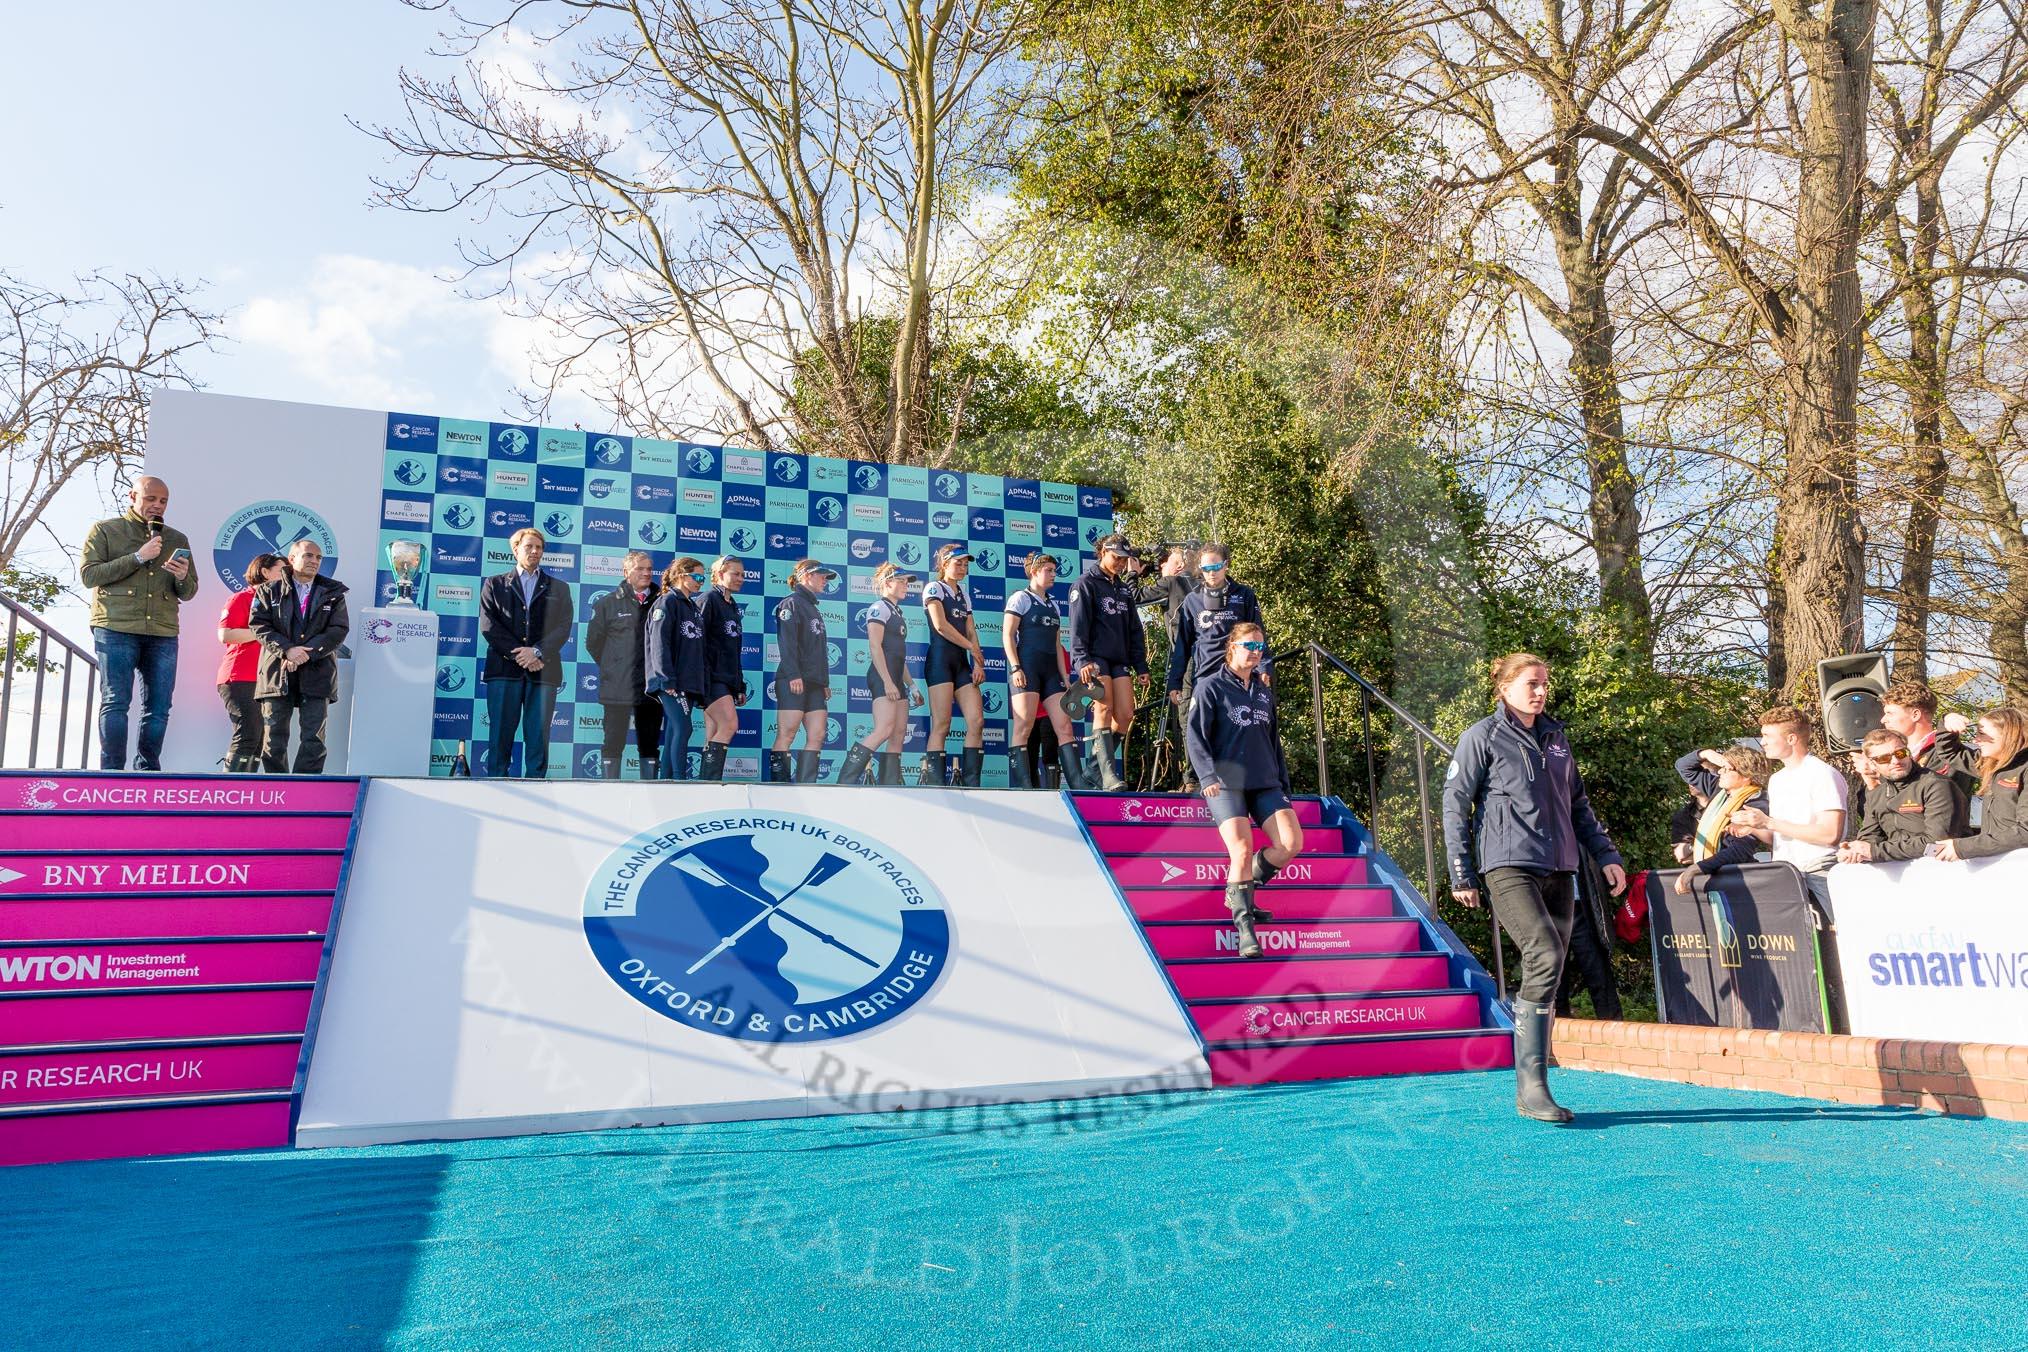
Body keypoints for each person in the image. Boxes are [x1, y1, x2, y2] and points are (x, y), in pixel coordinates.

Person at [1442, 652, 1626, 1124]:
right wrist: (1461, 870)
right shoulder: (1481, 736)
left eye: (1545, 683)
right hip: (1507, 864)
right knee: (1544, 953)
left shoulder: (1557, 738)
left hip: (1559, 867)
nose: (1541, 691)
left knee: (1552, 964)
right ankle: (1532, 1085)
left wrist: (1605, 854)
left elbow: (1579, 805)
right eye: (1531, 683)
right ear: (1504, 688)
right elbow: (1455, 803)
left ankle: (1535, 1080)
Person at [1727, 705, 1849, 1030]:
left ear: (1792, 738)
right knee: (1802, 960)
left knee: (1835, 960)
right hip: (1788, 876)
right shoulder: (1778, 780)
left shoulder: (1822, 775)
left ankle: (1848, 1029)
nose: (1762, 742)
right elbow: (1777, 835)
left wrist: (1769, 821)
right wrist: (1752, 827)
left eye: (1768, 736)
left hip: (1821, 874)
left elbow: (1829, 834)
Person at [1186, 624, 1303, 959]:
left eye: (1261, 647)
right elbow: (1195, 736)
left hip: (1265, 781)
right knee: (1241, 848)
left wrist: (1284, 783)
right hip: (1225, 783)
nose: (1256, 651)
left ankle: (1241, 888)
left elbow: (1273, 741)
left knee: (1291, 843)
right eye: (1249, 645)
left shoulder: (1264, 692)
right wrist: (1206, 775)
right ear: (1232, 647)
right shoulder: (1210, 686)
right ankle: (1244, 925)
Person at [78, 476, 201, 770]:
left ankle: (147, 769)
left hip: (162, 631)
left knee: (159, 708)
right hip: (116, 626)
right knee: (116, 701)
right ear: (132, 496)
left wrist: (183, 577)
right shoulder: (106, 530)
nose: (157, 506)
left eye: (163, 501)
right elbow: (89, 576)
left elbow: (190, 591)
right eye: (150, 499)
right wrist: (137, 557)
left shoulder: (177, 538)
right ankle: (112, 772)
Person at [478, 527, 574, 778]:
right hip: (503, 671)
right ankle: (497, 788)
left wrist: (538, 652)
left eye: (539, 547)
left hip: (544, 672)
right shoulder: (494, 584)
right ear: (515, 549)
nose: (534, 551)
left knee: (538, 738)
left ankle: (536, 790)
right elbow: (489, 626)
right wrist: (521, 655)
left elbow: (563, 628)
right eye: (529, 546)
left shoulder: (559, 588)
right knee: (500, 735)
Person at [248, 539, 350, 774]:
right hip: (276, 671)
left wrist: (306, 654)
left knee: (314, 738)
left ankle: (306, 790)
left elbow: (338, 630)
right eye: (308, 556)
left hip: (318, 672)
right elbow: (259, 625)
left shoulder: (334, 593)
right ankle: (276, 791)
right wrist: (287, 650)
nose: (314, 561)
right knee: (274, 738)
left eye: (318, 557)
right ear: (292, 559)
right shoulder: (268, 590)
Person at [1066, 533, 1149, 790]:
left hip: (1120, 659)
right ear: (1103, 552)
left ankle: (1093, 770)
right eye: (1116, 558)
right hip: (1095, 658)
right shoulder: (1085, 584)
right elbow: (1077, 627)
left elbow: (1135, 630)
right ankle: (1107, 773)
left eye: (1124, 560)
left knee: (1124, 714)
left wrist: (1141, 665)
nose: (1121, 564)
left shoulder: (1124, 589)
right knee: (1103, 709)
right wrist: (1082, 660)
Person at [1003, 553, 1087, 790]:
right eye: (1048, 570)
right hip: (1027, 669)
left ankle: (1078, 785)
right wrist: (1015, 667)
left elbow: (1057, 646)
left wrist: (1065, 677)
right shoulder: (1021, 598)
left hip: (1051, 673)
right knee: (1023, 727)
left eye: (1054, 570)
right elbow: (1008, 635)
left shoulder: (1053, 604)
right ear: (1034, 571)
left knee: (1065, 727)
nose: (1053, 574)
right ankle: (1025, 786)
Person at [585, 551, 663, 779]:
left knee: (649, 744)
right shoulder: (607, 603)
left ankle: (651, 793)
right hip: (617, 686)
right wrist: (614, 665)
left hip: (651, 687)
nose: (647, 573)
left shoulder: (663, 602)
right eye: (641, 568)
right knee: (612, 742)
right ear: (626, 572)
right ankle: (610, 793)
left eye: (649, 568)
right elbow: (593, 644)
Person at [838, 562, 919, 785]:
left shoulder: (896, 611)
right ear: (887, 582)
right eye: (901, 581)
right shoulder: (879, 607)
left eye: (907, 582)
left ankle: (890, 783)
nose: (906, 585)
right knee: (884, 729)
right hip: (882, 677)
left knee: (899, 733)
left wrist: (911, 685)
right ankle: (845, 781)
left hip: (895, 678)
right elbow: (875, 647)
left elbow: (898, 656)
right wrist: (887, 682)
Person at [1838, 728, 1968, 863]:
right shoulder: (1877, 793)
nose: (1895, 761)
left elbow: (1937, 844)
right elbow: (1869, 837)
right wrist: (1853, 850)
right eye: (1884, 758)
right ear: (1872, 764)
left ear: (1909, 752)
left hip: (1942, 867)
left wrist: (1876, 851)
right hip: (1898, 867)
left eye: (1901, 753)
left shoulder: (1936, 785)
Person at [920, 543, 986, 787]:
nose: (963, 568)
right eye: (958, 563)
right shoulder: (934, 588)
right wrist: (970, 648)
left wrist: (977, 662)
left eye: (966, 564)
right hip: (940, 661)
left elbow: (970, 630)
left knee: (976, 722)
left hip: (962, 665)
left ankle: (971, 785)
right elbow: (941, 625)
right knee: (942, 725)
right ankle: (935, 786)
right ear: (944, 564)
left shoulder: (964, 594)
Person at [1671, 743, 1774, 895]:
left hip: (1737, 883)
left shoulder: (1755, 803)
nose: (1720, 772)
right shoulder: (1718, 791)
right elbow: (1683, 767)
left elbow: (1739, 850)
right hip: (1712, 875)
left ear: (1746, 776)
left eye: (1727, 768)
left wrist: (1696, 868)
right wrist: (1705, 753)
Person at [216, 552, 286, 772]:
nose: (287, 576)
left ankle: (247, 789)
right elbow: (225, 635)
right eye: (282, 571)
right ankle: (231, 791)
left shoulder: (280, 604)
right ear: (264, 572)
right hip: (239, 677)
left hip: (266, 681)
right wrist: (265, 633)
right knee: (248, 733)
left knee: (260, 739)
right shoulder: (242, 598)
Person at [771, 558, 836, 784]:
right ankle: (779, 787)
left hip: (815, 683)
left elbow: (817, 649)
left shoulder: (813, 608)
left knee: (817, 734)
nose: (825, 581)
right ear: (807, 576)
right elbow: (786, 642)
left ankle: (806, 785)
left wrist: (824, 681)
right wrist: (793, 674)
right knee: (787, 734)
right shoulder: (790, 603)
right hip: (794, 680)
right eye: (822, 576)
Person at [1933, 708, 2028, 861]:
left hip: (2019, 865)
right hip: (1997, 861)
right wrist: (1947, 721)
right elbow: (1950, 753)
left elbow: (2025, 831)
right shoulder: (1993, 763)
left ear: (2009, 735)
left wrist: (1963, 847)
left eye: (1982, 734)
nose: (1975, 740)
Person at [644, 558, 708, 780]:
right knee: (684, 728)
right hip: (671, 681)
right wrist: (666, 679)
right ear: (681, 575)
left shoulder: (693, 606)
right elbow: (659, 643)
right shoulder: (667, 602)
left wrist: (700, 688)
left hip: (688, 682)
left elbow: (697, 650)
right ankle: (680, 781)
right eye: (697, 577)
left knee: (674, 729)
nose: (702, 582)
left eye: (703, 577)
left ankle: (668, 780)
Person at [1881, 679, 1979, 800]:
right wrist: (1872, 781)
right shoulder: (1896, 755)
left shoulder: (1948, 755)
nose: (1883, 720)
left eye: (1890, 713)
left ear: (1915, 715)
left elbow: (1937, 801)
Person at [697, 555, 749, 782]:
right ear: (719, 575)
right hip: (711, 678)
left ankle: (707, 785)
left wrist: (739, 685)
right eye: (735, 574)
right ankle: (708, 781)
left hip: (727, 679)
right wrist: (702, 680)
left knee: (713, 733)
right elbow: (696, 643)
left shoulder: (733, 606)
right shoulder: (708, 599)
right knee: (729, 724)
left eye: (743, 575)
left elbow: (734, 649)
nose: (741, 579)